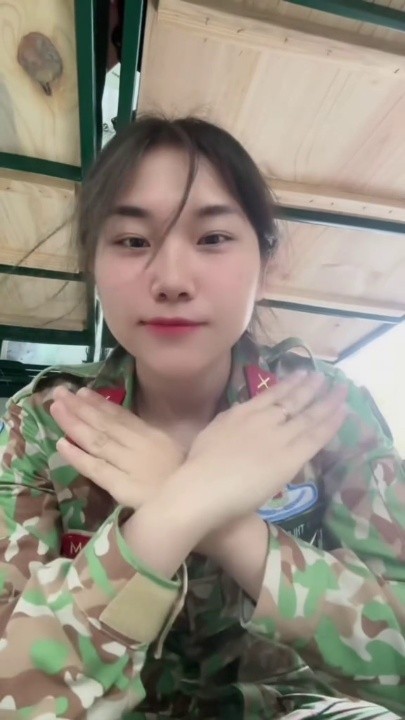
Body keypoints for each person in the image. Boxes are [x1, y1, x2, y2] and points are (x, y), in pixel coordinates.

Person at [0, 117, 404, 720]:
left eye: (212, 238)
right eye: (132, 241)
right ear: (94, 265)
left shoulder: (322, 408)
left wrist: (232, 532)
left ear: (266, 263)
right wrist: (174, 513)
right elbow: (17, 695)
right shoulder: (46, 422)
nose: (171, 280)